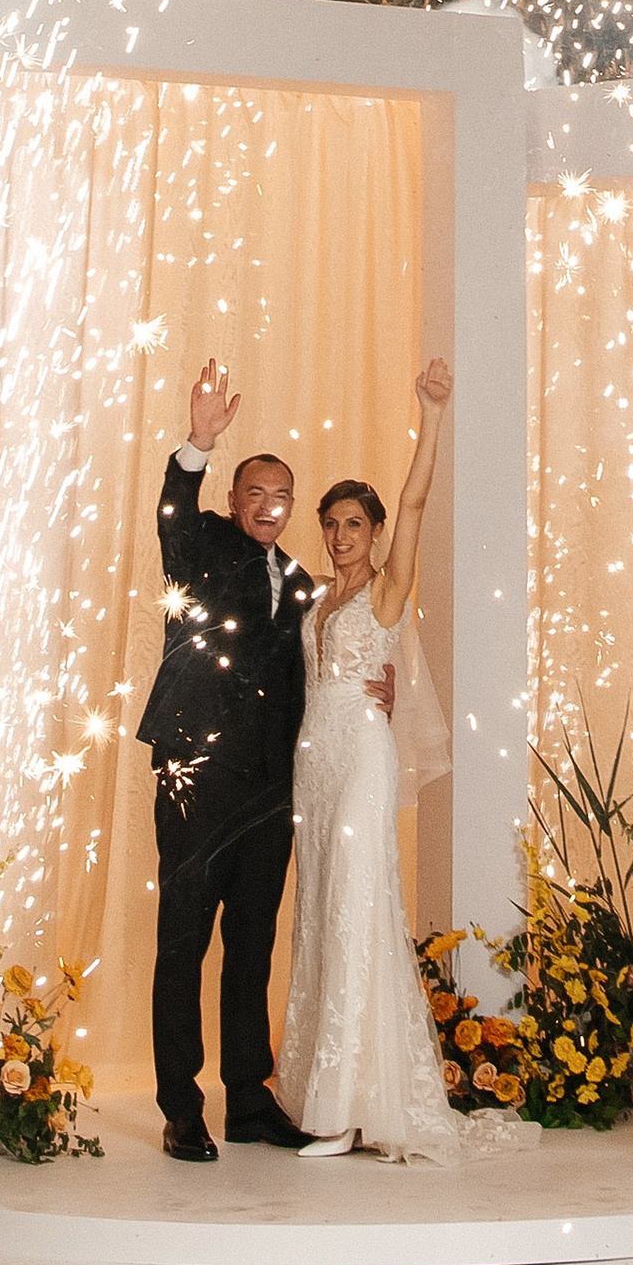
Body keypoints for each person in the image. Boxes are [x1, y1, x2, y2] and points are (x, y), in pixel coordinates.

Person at [274, 361, 469, 1162]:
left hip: (362, 756)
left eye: (354, 523)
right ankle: (327, 1095)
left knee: (358, 910)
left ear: (377, 531)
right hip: (313, 766)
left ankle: (353, 1110)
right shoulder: (314, 596)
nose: (340, 536)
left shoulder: (387, 591)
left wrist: (432, 415)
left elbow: (416, 501)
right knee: (322, 913)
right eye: (331, 524)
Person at [139, 359, 326, 1161]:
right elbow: (172, 517)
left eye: (281, 494)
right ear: (233, 500)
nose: (268, 504)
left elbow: (316, 680)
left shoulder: (303, 583)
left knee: (253, 948)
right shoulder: (203, 546)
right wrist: (198, 442)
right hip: (198, 776)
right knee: (183, 941)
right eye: (255, 492)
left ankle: (249, 1100)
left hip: (269, 791)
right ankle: (181, 1107)